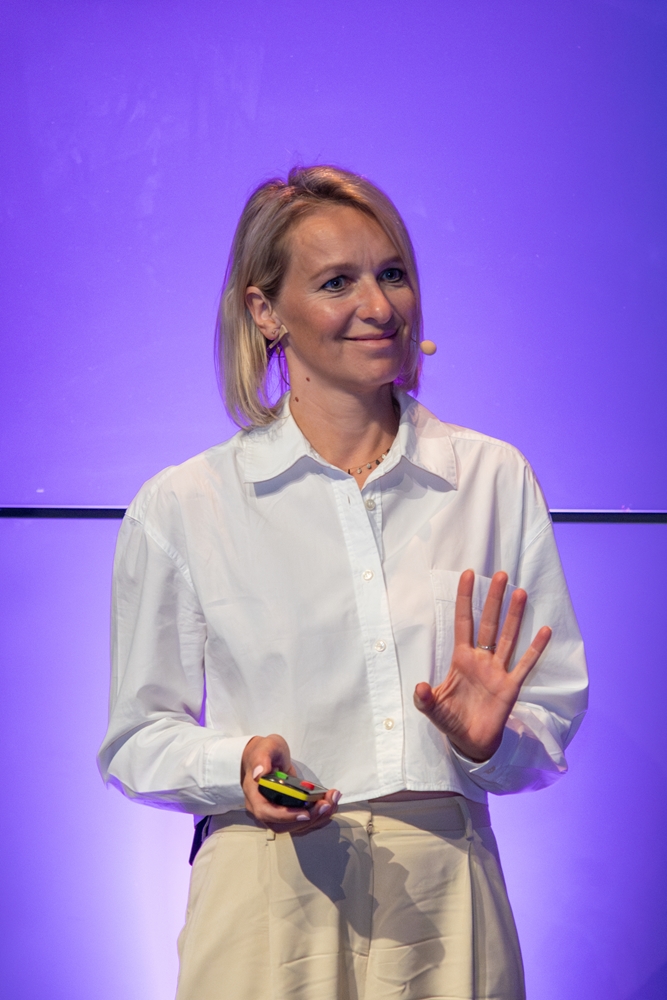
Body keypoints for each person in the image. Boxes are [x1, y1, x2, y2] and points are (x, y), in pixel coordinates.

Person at [98, 165, 588, 1000]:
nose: (380, 305)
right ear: (265, 311)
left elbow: (548, 713)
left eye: (392, 273)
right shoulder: (186, 503)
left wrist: (489, 745)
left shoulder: (491, 478)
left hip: (446, 886)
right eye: (337, 283)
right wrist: (236, 764)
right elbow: (136, 739)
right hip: (264, 888)